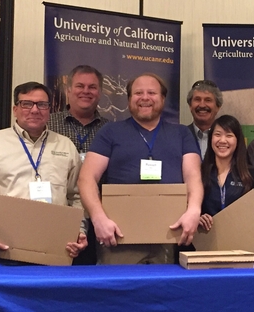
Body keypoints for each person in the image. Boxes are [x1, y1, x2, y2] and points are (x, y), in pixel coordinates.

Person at [78, 73, 203, 264]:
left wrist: (194, 211)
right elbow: (86, 178)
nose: (145, 97)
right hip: (118, 239)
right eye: (138, 93)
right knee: (119, 292)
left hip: (168, 237)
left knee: (163, 293)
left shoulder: (182, 134)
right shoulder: (110, 132)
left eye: (151, 92)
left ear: (162, 98)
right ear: (129, 100)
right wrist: (98, 218)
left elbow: (193, 176)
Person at [0, 82, 87, 262]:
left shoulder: (65, 146)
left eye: (42, 104)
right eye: (27, 104)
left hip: (55, 247)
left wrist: (78, 231)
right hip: (4, 246)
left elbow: (77, 196)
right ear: (15, 109)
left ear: (49, 109)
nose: (35, 110)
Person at [48, 65, 110, 266]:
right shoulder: (48, 124)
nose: (86, 91)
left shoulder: (111, 130)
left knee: (93, 276)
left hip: (101, 217)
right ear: (68, 90)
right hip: (58, 214)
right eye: (80, 86)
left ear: (99, 93)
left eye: (92, 87)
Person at [198, 115, 254, 230]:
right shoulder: (200, 173)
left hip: (242, 241)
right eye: (217, 134)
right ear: (211, 139)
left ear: (237, 140)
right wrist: (197, 217)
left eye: (229, 135)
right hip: (206, 240)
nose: (222, 140)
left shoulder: (251, 175)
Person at [187, 79, 223, 159]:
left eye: (208, 100)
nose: (202, 105)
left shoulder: (226, 140)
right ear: (190, 106)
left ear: (218, 107)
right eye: (197, 99)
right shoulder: (179, 137)